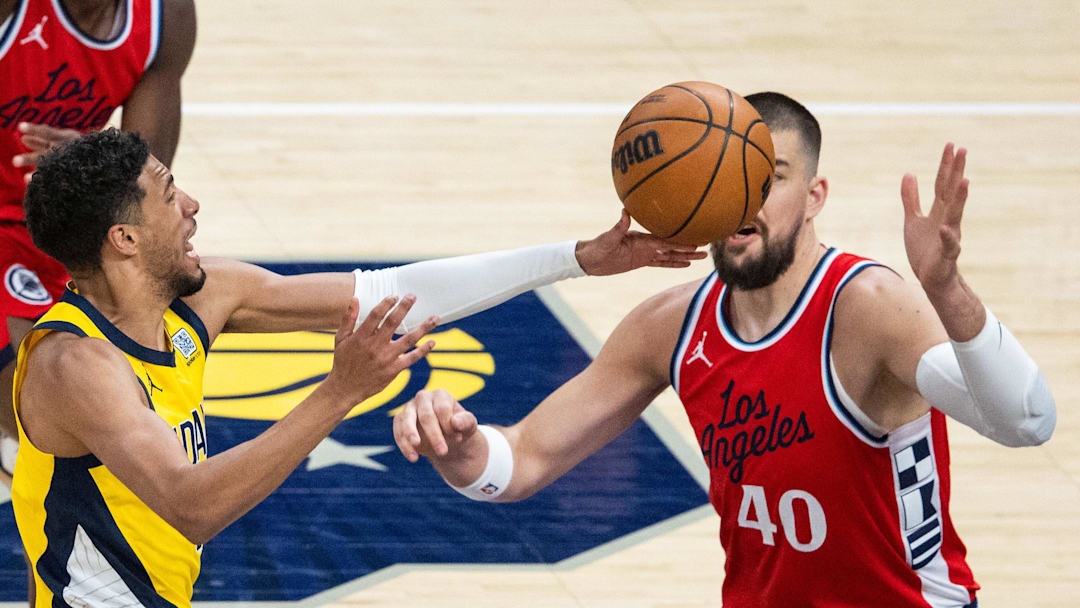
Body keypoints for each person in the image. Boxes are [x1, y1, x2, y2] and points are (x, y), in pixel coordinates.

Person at [392, 92, 1058, 607]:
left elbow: (1027, 422)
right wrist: (464, 452)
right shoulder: (670, 326)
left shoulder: (871, 308)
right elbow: (525, 460)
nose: (743, 196)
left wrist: (949, 292)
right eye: (727, 175)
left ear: (815, 197)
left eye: (770, 178)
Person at [11, 128, 703, 607]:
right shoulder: (77, 366)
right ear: (125, 239)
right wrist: (339, 390)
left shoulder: (200, 297)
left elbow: (396, 293)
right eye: (169, 195)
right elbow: (193, 507)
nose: (192, 206)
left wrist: (578, 257)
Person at [0, 0, 197, 479]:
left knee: (94, 416)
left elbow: (143, 175)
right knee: (37, 396)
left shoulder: (164, 16)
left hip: (67, 218)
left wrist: (88, 157)